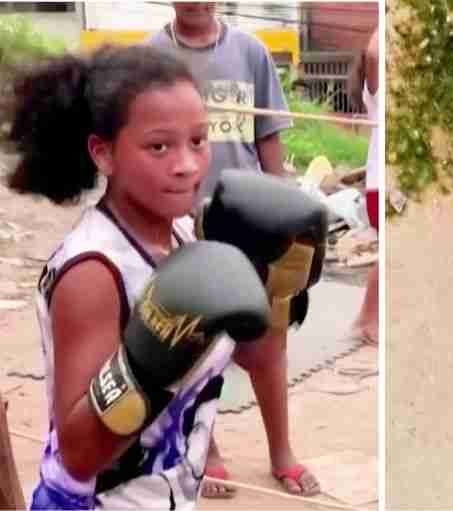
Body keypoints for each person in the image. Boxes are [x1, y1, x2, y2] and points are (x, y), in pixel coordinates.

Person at [6, 45, 275, 510]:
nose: (187, 165)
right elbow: (79, 455)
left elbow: (252, 356)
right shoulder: (93, 272)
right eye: (159, 146)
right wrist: (148, 363)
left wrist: (275, 286)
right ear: (103, 153)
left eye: (198, 140)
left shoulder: (187, 236)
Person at [147, 3, 321, 498]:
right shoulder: (151, 58)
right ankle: (210, 451)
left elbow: (268, 141)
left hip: (249, 223)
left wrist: (284, 212)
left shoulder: (251, 52)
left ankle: (281, 452)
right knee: (195, 343)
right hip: (181, 222)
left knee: (269, 345)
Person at [349, 28, 380, 345]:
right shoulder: (377, 96)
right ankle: (367, 319)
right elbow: (373, 52)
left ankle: (367, 317)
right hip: (381, 187)